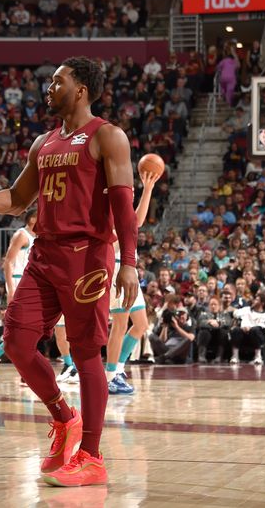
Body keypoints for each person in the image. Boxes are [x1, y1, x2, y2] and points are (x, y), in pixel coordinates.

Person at [0, 57, 139, 487]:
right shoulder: (43, 142)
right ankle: (64, 418)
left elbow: (123, 204)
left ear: (81, 89)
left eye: (57, 81)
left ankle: (91, 455)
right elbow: (15, 200)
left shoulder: (108, 136)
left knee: (87, 352)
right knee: (15, 342)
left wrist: (130, 263)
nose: (49, 88)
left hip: (88, 256)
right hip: (45, 256)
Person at [105, 169, 159, 395]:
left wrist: (148, 189)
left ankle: (117, 368)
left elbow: (137, 221)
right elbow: (125, 231)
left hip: (130, 271)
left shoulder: (124, 214)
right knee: (120, 325)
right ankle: (109, 376)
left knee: (141, 325)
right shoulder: (108, 213)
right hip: (117, 271)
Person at [0, 208, 37, 379]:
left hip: (31, 282)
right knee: (22, 328)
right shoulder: (22, 235)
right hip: (18, 280)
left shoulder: (39, 237)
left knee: (28, 329)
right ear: (32, 219)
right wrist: (11, 288)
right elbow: (8, 263)